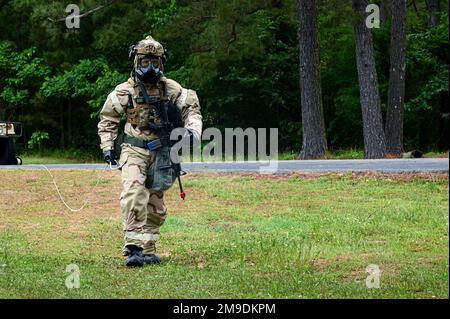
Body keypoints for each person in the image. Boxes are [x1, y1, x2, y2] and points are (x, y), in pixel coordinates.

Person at [97, 36, 202, 267]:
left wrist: (193, 131)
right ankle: (133, 248)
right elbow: (108, 120)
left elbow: (191, 108)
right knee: (134, 192)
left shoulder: (170, 88)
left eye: (155, 63)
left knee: (156, 202)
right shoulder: (125, 91)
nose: (150, 68)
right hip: (134, 149)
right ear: (136, 62)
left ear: (162, 63)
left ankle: (148, 247)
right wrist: (107, 147)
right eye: (145, 62)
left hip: (162, 152)